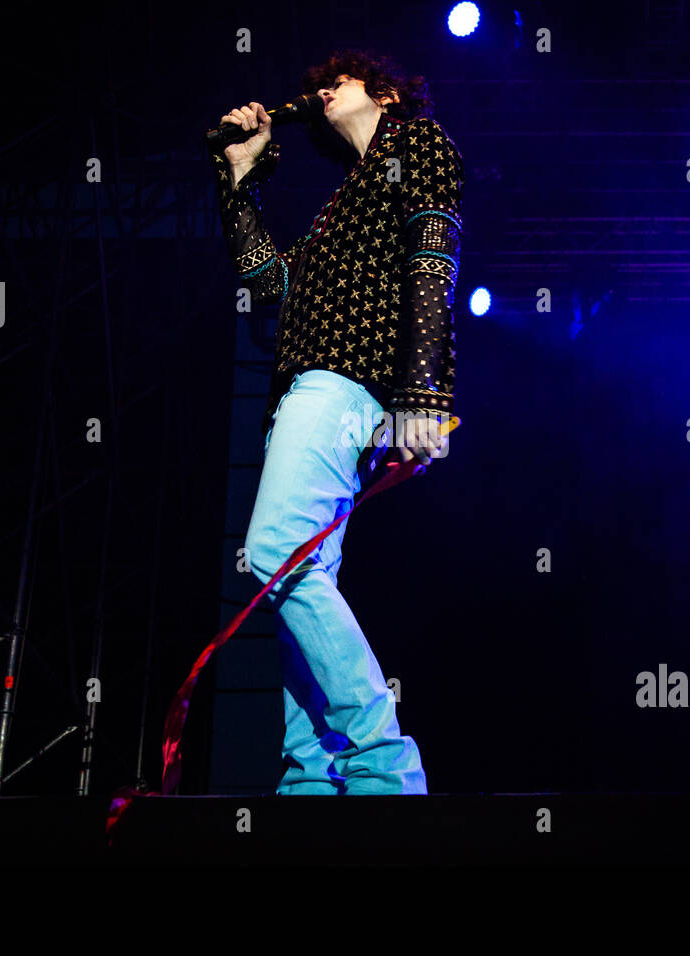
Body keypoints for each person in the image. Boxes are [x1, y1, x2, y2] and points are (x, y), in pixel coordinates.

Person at [206, 50, 464, 795]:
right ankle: (311, 779)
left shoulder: (418, 142)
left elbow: (433, 262)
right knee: (300, 577)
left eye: (340, 78)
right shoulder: (344, 203)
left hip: (347, 384)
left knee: (276, 551)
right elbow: (269, 280)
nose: (320, 88)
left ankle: (383, 765)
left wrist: (423, 391)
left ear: (384, 90)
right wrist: (238, 177)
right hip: (310, 392)